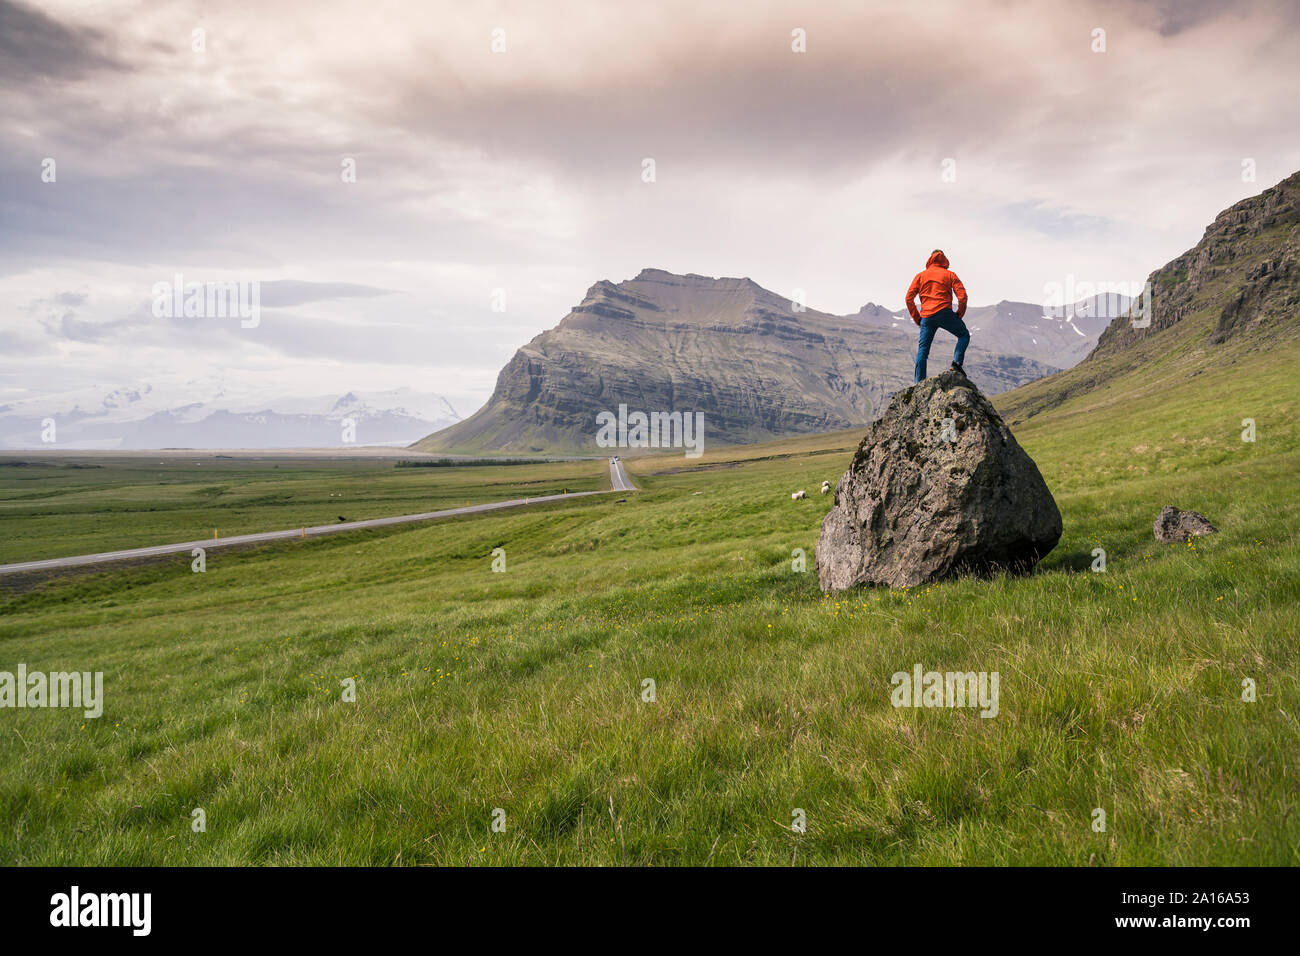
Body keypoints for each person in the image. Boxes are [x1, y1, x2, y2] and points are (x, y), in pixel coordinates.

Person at [905, 249, 970, 383]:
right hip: (944, 312)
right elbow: (962, 297)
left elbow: (908, 299)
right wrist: (959, 314)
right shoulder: (950, 274)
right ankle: (956, 364)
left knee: (923, 351)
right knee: (964, 335)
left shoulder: (920, 276)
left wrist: (917, 318)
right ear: (944, 260)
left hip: (927, 317)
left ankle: (919, 382)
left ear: (930, 259)